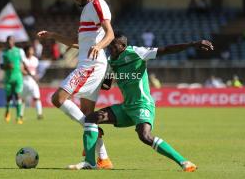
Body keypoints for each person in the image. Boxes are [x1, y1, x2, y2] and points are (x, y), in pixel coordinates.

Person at [68, 31, 213, 170]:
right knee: (91, 119)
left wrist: (193, 44)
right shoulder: (111, 60)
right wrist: (94, 76)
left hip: (142, 105)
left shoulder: (137, 52)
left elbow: (166, 49)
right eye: (109, 45)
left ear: (123, 46)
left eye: (114, 45)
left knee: (145, 136)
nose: (110, 48)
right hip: (126, 108)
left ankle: (184, 162)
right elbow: (106, 85)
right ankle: (90, 162)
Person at [37, 0, 114, 169]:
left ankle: (94, 132)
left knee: (57, 99)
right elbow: (79, 43)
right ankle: (104, 159)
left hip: (91, 66)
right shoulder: (87, 11)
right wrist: (54, 36)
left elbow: (110, 34)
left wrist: (99, 45)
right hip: (89, 63)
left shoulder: (97, 4)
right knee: (88, 114)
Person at [0, 36, 30, 124]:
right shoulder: (3, 53)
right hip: (8, 78)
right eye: (8, 41)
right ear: (6, 42)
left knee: (17, 96)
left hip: (18, 77)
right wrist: (7, 66)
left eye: (11, 40)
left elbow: (24, 62)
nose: (9, 42)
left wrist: (28, 72)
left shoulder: (19, 51)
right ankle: (8, 111)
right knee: (8, 97)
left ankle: (18, 116)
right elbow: (1, 66)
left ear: (14, 41)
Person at [21, 45, 44, 120]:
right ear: (26, 51)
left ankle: (39, 114)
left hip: (33, 82)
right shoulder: (23, 60)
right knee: (22, 99)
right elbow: (21, 70)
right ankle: (20, 114)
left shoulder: (35, 60)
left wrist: (36, 76)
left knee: (37, 97)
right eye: (30, 50)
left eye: (32, 50)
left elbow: (36, 70)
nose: (31, 51)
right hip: (24, 81)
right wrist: (28, 74)